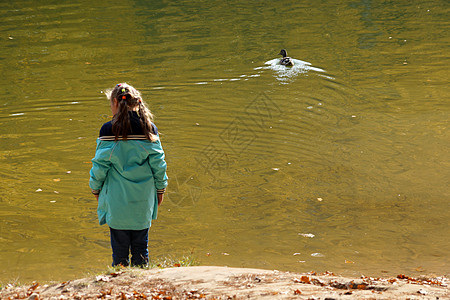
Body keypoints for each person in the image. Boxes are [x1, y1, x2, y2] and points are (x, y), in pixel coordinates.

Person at [89, 83, 168, 267]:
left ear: (115, 102)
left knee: (119, 252)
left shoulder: (108, 131)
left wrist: (95, 188)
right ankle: (141, 282)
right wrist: (160, 189)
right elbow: (159, 166)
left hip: (117, 204)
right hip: (143, 202)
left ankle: (120, 283)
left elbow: (99, 167)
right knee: (141, 249)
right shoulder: (149, 129)